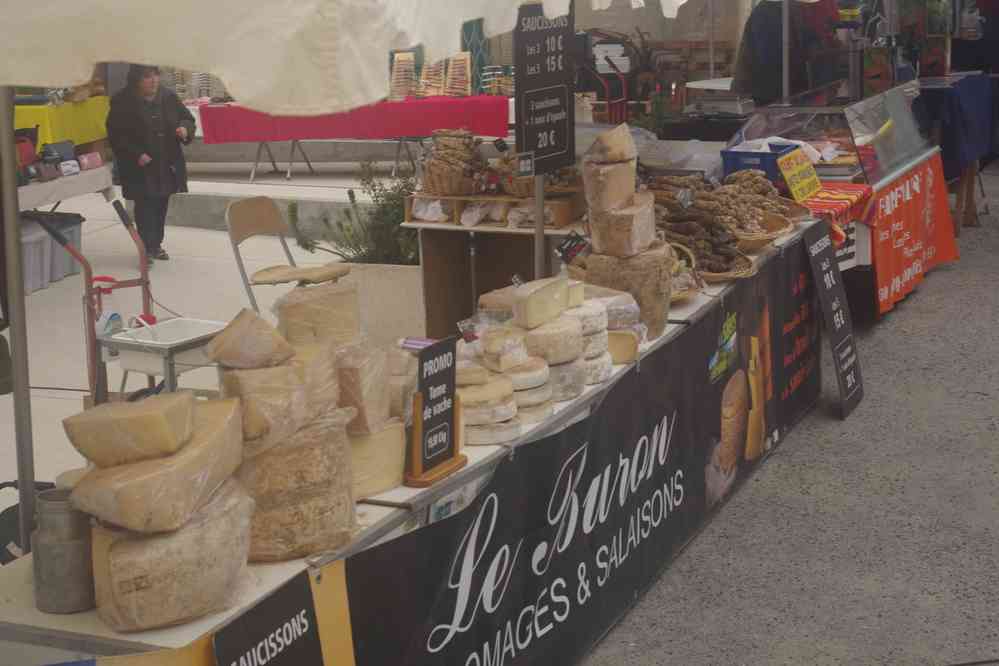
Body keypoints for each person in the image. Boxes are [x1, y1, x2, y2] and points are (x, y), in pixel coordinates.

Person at [107, 65, 196, 264]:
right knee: (144, 204)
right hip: (140, 164)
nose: (154, 80)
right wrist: (135, 154)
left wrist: (184, 128)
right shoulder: (122, 101)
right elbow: (115, 135)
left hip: (166, 161)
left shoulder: (168, 96)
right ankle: (146, 247)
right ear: (136, 80)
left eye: (156, 75)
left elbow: (187, 118)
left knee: (161, 202)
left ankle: (155, 245)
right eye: (147, 77)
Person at [732, 0, 837, 107]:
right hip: (761, 101)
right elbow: (773, 64)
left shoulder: (800, 10)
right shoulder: (772, 10)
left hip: (783, 98)